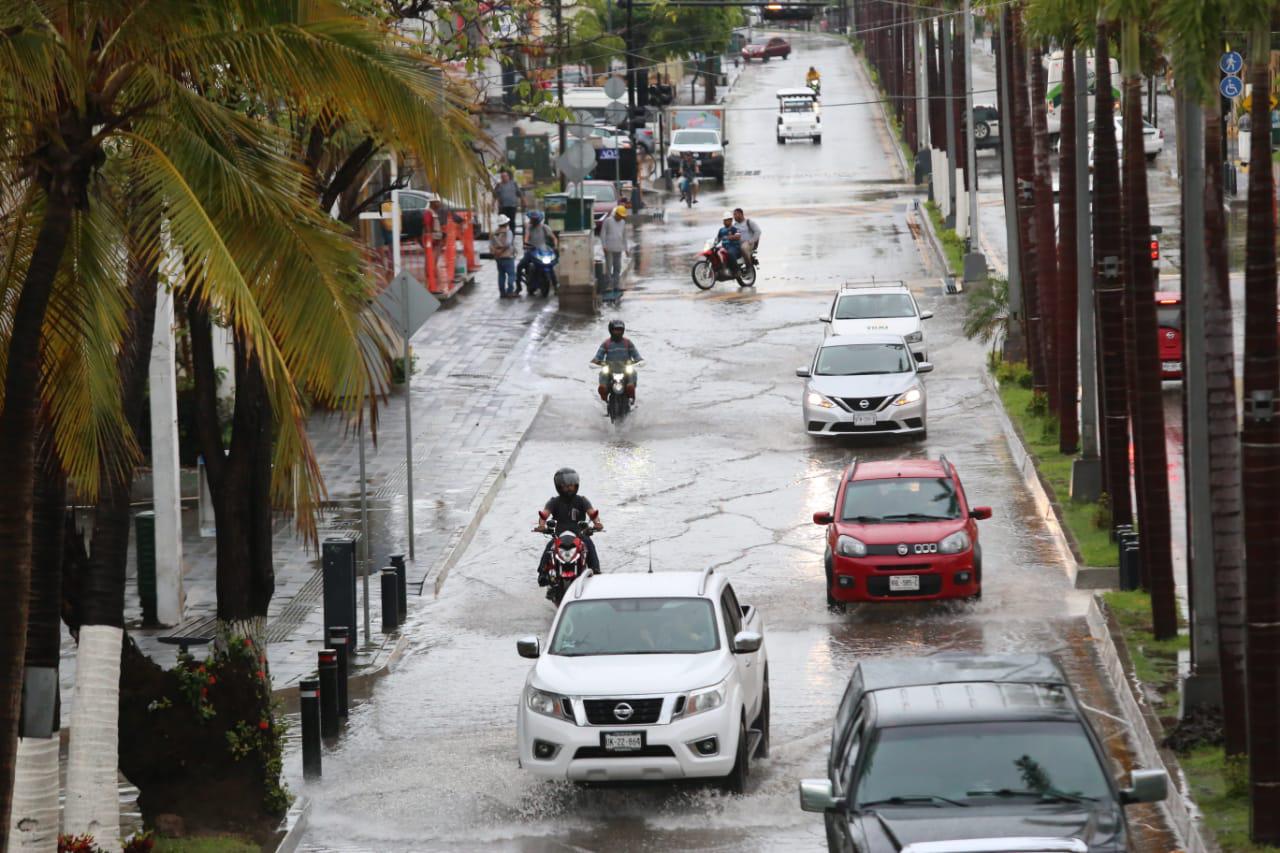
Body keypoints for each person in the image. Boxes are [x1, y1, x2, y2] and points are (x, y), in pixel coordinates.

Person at [535, 467, 602, 580]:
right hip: (559, 534)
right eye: (565, 486)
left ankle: (596, 571)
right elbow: (544, 514)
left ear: (576, 485)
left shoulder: (582, 500)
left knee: (589, 544)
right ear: (559, 487)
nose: (569, 488)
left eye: (571, 485)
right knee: (549, 547)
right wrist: (542, 525)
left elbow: (592, 513)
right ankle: (542, 573)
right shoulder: (554, 501)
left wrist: (597, 524)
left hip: (579, 534)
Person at [592, 319, 642, 402]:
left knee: (632, 374)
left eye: (620, 330)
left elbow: (636, 355)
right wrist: (595, 362)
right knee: (603, 376)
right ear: (611, 330)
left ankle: (631, 394)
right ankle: (604, 395)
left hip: (625, 370)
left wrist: (640, 361)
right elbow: (598, 356)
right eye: (616, 330)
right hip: (610, 370)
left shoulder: (628, 343)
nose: (618, 332)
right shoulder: (606, 344)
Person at [517, 210, 558, 292]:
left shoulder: (545, 227)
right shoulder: (529, 227)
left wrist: (555, 246)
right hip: (531, 251)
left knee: (550, 267)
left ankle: (556, 286)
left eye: (535, 219)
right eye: (532, 219)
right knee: (519, 266)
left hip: (543, 251)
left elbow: (554, 238)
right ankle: (518, 287)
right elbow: (527, 237)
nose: (533, 221)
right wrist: (526, 244)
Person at [599, 205, 628, 291]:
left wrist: (626, 248)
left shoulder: (623, 222)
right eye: (620, 216)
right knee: (609, 267)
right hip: (609, 248)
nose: (621, 218)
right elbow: (602, 234)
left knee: (617, 267)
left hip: (618, 248)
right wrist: (604, 246)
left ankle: (616, 285)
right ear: (616, 214)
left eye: (623, 216)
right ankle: (609, 285)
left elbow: (624, 236)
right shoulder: (608, 221)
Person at [491, 214, 516, 298]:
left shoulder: (494, 233)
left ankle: (502, 292)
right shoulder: (508, 232)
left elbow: (491, 245)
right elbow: (508, 243)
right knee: (511, 274)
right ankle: (510, 291)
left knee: (501, 274)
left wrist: (496, 253)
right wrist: (502, 251)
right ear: (507, 223)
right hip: (507, 256)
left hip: (498, 258)